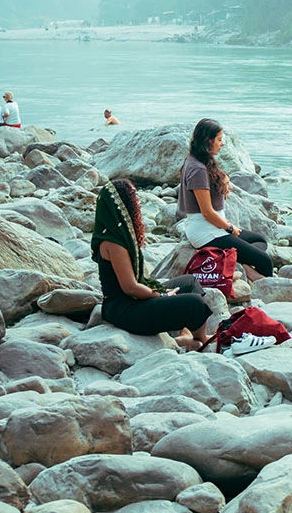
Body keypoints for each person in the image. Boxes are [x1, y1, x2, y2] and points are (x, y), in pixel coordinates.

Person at [92, 179, 213, 350]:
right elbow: (130, 288)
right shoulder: (113, 243)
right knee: (195, 304)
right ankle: (202, 340)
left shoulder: (120, 234)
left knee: (189, 283)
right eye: (134, 198)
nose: (138, 202)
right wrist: (160, 295)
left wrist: (159, 292)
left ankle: (187, 336)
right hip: (125, 310)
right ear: (123, 206)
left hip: (135, 300)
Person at [176, 118, 274, 280]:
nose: (222, 144)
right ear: (208, 140)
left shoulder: (198, 159)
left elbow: (213, 180)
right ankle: (262, 288)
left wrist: (224, 181)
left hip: (214, 228)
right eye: (219, 139)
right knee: (265, 261)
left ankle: (244, 266)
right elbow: (207, 212)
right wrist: (229, 228)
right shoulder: (197, 169)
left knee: (259, 240)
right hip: (206, 232)